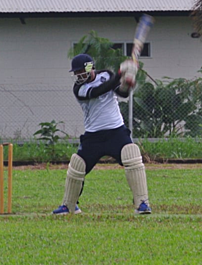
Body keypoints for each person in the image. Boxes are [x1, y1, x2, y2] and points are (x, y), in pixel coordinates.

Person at [53, 53, 151, 215]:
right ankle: (69, 206)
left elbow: (122, 93)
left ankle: (142, 203)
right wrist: (120, 73)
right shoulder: (79, 89)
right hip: (94, 136)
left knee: (132, 156)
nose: (78, 75)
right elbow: (99, 91)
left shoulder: (106, 75)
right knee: (77, 166)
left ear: (90, 68)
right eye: (76, 73)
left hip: (116, 131)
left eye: (80, 72)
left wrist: (127, 84)